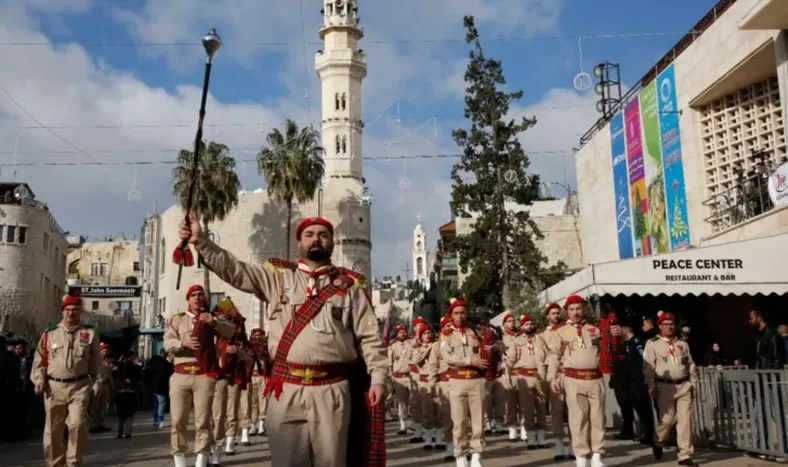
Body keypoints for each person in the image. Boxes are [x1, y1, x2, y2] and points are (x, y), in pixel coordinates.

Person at [179, 214, 388, 467]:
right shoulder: (277, 279)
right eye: (309, 235)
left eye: (323, 235)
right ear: (299, 242)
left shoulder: (350, 289)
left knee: (332, 462)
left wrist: (378, 378)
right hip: (285, 389)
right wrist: (201, 241)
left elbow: (370, 338)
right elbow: (235, 270)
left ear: (332, 243)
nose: (316, 240)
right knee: (287, 462)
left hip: (331, 390)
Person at [164, 284, 236, 467]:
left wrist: (213, 322)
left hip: (204, 374)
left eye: (200, 295)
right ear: (188, 299)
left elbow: (230, 331)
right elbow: (167, 343)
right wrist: (182, 342)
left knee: (203, 420)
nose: (197, 298)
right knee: (178, 419)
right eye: (193, 295)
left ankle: (201, 458)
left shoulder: (212, 319)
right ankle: (179, 458)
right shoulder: (178, 320)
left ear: (205, 299)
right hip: (180, 375)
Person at [30, 295, 103, 467]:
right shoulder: (50, 334)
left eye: (75, 310)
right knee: (53, 430)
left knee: (77, 424)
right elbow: (39, 360)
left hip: (80, 386)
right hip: (54, 387)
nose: (71, 314)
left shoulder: (89, 333)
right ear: (62, 312)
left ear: (81, 312)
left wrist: (97, 381)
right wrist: (39, 380)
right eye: (68, 310)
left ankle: (73, 463)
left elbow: (96, 362)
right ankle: (55, 463)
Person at [547, 295, 612, 467]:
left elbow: (607, 350)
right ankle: (581, 457)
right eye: (572, 309)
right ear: (566, 311)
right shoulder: (560, 332)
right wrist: (552, 377)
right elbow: (553, 356)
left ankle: (597, 456)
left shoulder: (595, 330)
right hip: (573, 379)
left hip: (595, 379)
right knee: (578, 419)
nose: (575, 312)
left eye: (578, 308)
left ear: (583, 309)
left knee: (598, 418)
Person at [643, 311, 697, 466]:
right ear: (660, 326)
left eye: (671, 324)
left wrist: (694, 384)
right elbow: (648, 367)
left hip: (683, 385)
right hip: (664, 386)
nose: (669, 327)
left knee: (685, 420)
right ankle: (658, 441)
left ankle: (684, 454)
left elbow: (690, 365)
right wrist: (651, 384)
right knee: (667, 419)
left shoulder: (682, 344)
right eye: (665, 324)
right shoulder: (653, 343)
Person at [443, 298, 486, 467]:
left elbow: (487, 347)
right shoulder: (446, 335)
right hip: (457, 380)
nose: (460, 316)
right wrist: (469, 360)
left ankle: (477, 456)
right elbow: (448, 357)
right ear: (451, 315)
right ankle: (460, 456)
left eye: (463, 312)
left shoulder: (476, 331)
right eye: (456, 313)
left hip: (476, 380)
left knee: (478, 421)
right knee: (459, 422)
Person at [506, 314, 547, 449]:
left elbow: (548, 355)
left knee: (541, 408)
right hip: (524, 376)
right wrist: (508, 376)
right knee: (527, 408)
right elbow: (510, 360)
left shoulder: (540, 340)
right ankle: (530, 438)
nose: (529, 326)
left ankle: (541, 437)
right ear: (522, 326)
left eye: (531, 324)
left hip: (540, 377)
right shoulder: (516, 341)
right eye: (526, 324)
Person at [539, 302, 574, 461]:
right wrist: (544, 378)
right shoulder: (542, 336)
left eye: (557, 312)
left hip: (571, 372)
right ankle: (559, 443)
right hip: (554, 374)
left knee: (574, 410)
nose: (556, 315)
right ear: (547, 316)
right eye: (552, 313)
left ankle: (574, 443)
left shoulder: (569, 330)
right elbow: (540, 359)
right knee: (556, 410)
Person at [427, 315, 455, 461]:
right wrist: (433, 386)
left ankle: (464, 447)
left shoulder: (461, 340)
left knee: (464, 418)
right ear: (442, 328)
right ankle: (450, 447)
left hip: (461, 380)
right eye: (447, 325)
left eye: (452, 324)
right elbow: (432, 367)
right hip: (445, 383)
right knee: (448, 416)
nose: (450, 327)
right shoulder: (437, 346)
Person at [621, 325, 653, 445]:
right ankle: (646, 433)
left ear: (626, 330)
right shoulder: (628, 344)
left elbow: (643, 358)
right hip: (632, 380)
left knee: (644, 408)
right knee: (638, 408)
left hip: (640, 380)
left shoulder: (637, 342)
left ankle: (650, 433)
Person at [414, 325, 440, 449]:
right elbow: (416, 360)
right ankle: (428, 438)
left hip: (437, 381)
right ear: (420, 337)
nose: (428, 335)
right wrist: (427, 349)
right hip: (424, 382)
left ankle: (439, 438)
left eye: (429, 333)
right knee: (427, 411)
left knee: (439, 410)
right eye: (425, 333)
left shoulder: (438, 346)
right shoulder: (417, 349)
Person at [242, 327, 269, 436]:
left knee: (263, 399)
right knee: (252, 401)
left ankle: (262, 424)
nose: (257, 337)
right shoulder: (248, 347)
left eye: (260, 335)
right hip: (250, 376)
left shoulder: (266, 348)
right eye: (255, 335)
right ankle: (253, 424)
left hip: (263, 376)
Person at [389, 324, 413, 435]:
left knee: (413, 401)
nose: (403, 333)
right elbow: (390, 362)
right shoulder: (393, 345)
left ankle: (414, 424)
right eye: (400, 332)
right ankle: (403, 425)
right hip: (399, 377)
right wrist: (391, 376)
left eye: (404, 331)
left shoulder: (411, 344)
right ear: (397, 333)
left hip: (411, 376)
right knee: (401, 402)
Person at [499, 312, 520, 440]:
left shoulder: (520, 336)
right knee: (510, 402)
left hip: (520, 370)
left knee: (523, 402)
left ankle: (524, 427)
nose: (512, 323)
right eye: (509, 321)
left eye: (513, 321)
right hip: (507, 371)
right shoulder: (501, 338)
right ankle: (512, 427)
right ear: (504, 324)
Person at [409, 317, 427, 442]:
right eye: (418, 325)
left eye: (423, 325)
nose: (420, 327)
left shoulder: (429, 340)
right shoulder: (409, 342)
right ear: (414, 327)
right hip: (414, 374)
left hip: (426, 374)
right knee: (415, 403)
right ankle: (418, 429)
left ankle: (429, 430)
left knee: (427, 404)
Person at [89, 342, 114, 433]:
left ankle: (101, 423)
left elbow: (110, 374)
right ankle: (93, 424)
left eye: (106, 351)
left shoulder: (108, 361)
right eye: (104, 351)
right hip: (97, 384)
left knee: (103, 406)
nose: (105, 352)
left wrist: (111, 384)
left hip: (106, 385)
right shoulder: (95, 361)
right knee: (94, 406)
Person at [146, 348, 173, 428]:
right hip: (162, 386)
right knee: (161, 403)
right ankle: (161, 421)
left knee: (156, 404)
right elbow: (169, 373)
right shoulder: (165, 363)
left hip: (153, 386)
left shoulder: (153, 360)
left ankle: (156, 420)